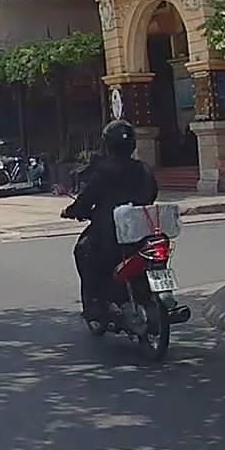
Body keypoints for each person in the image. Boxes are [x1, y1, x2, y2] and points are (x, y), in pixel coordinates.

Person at [61, 119, 158, 319]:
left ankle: (95, 304)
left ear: (108, 144)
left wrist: (71, 211)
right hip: (142, 231)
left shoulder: (103, 172)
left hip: (110, 234)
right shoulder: (144, 169)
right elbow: (152, 194)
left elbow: (86, 199)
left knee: (82, 250)